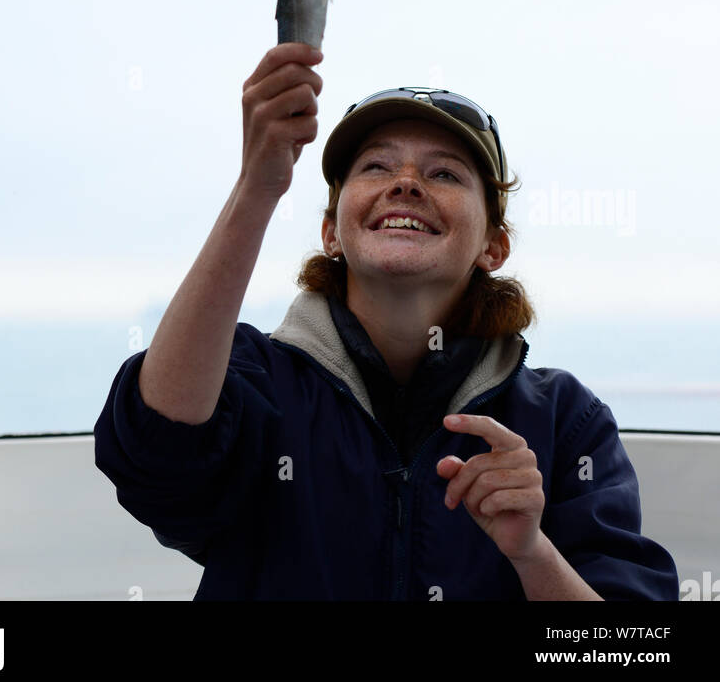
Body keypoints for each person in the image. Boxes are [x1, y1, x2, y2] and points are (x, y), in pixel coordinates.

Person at [93, 43, 679, 601]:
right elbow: (156, 454)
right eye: (375, 167)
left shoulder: (564, 421)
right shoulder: (250, 379)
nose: (406, 183)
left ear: (493, 247)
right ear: (332, 232)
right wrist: (258, 186)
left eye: (445, 174)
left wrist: (533, 553)